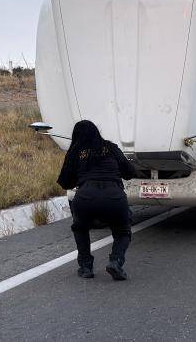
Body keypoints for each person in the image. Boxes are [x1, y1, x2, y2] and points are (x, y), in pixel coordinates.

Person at [57, 120, 136, 280]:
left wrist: (80, 177)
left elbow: (65, 182)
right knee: (122, 231)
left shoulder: (75, 152)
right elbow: (129, 172)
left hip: (85, 197)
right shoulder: (111, 147)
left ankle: (86, 267)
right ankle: (116, 261)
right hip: (114, 197)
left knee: (80, 227)